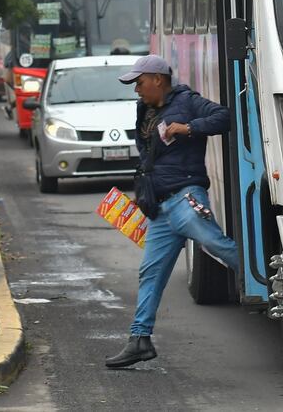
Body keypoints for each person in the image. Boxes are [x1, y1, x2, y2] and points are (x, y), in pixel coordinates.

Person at [105, 55, 238, 368]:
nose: (136, 89)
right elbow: (149, 159)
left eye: (139, 82)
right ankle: (139, 340)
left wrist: (188, 127)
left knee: (218, 245)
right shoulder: (145, 110)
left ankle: (273, 286)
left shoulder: (188, 101)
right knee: (149, 273)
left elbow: (225, 117)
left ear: (157, 79)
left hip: (186, 196)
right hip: (161, 209)